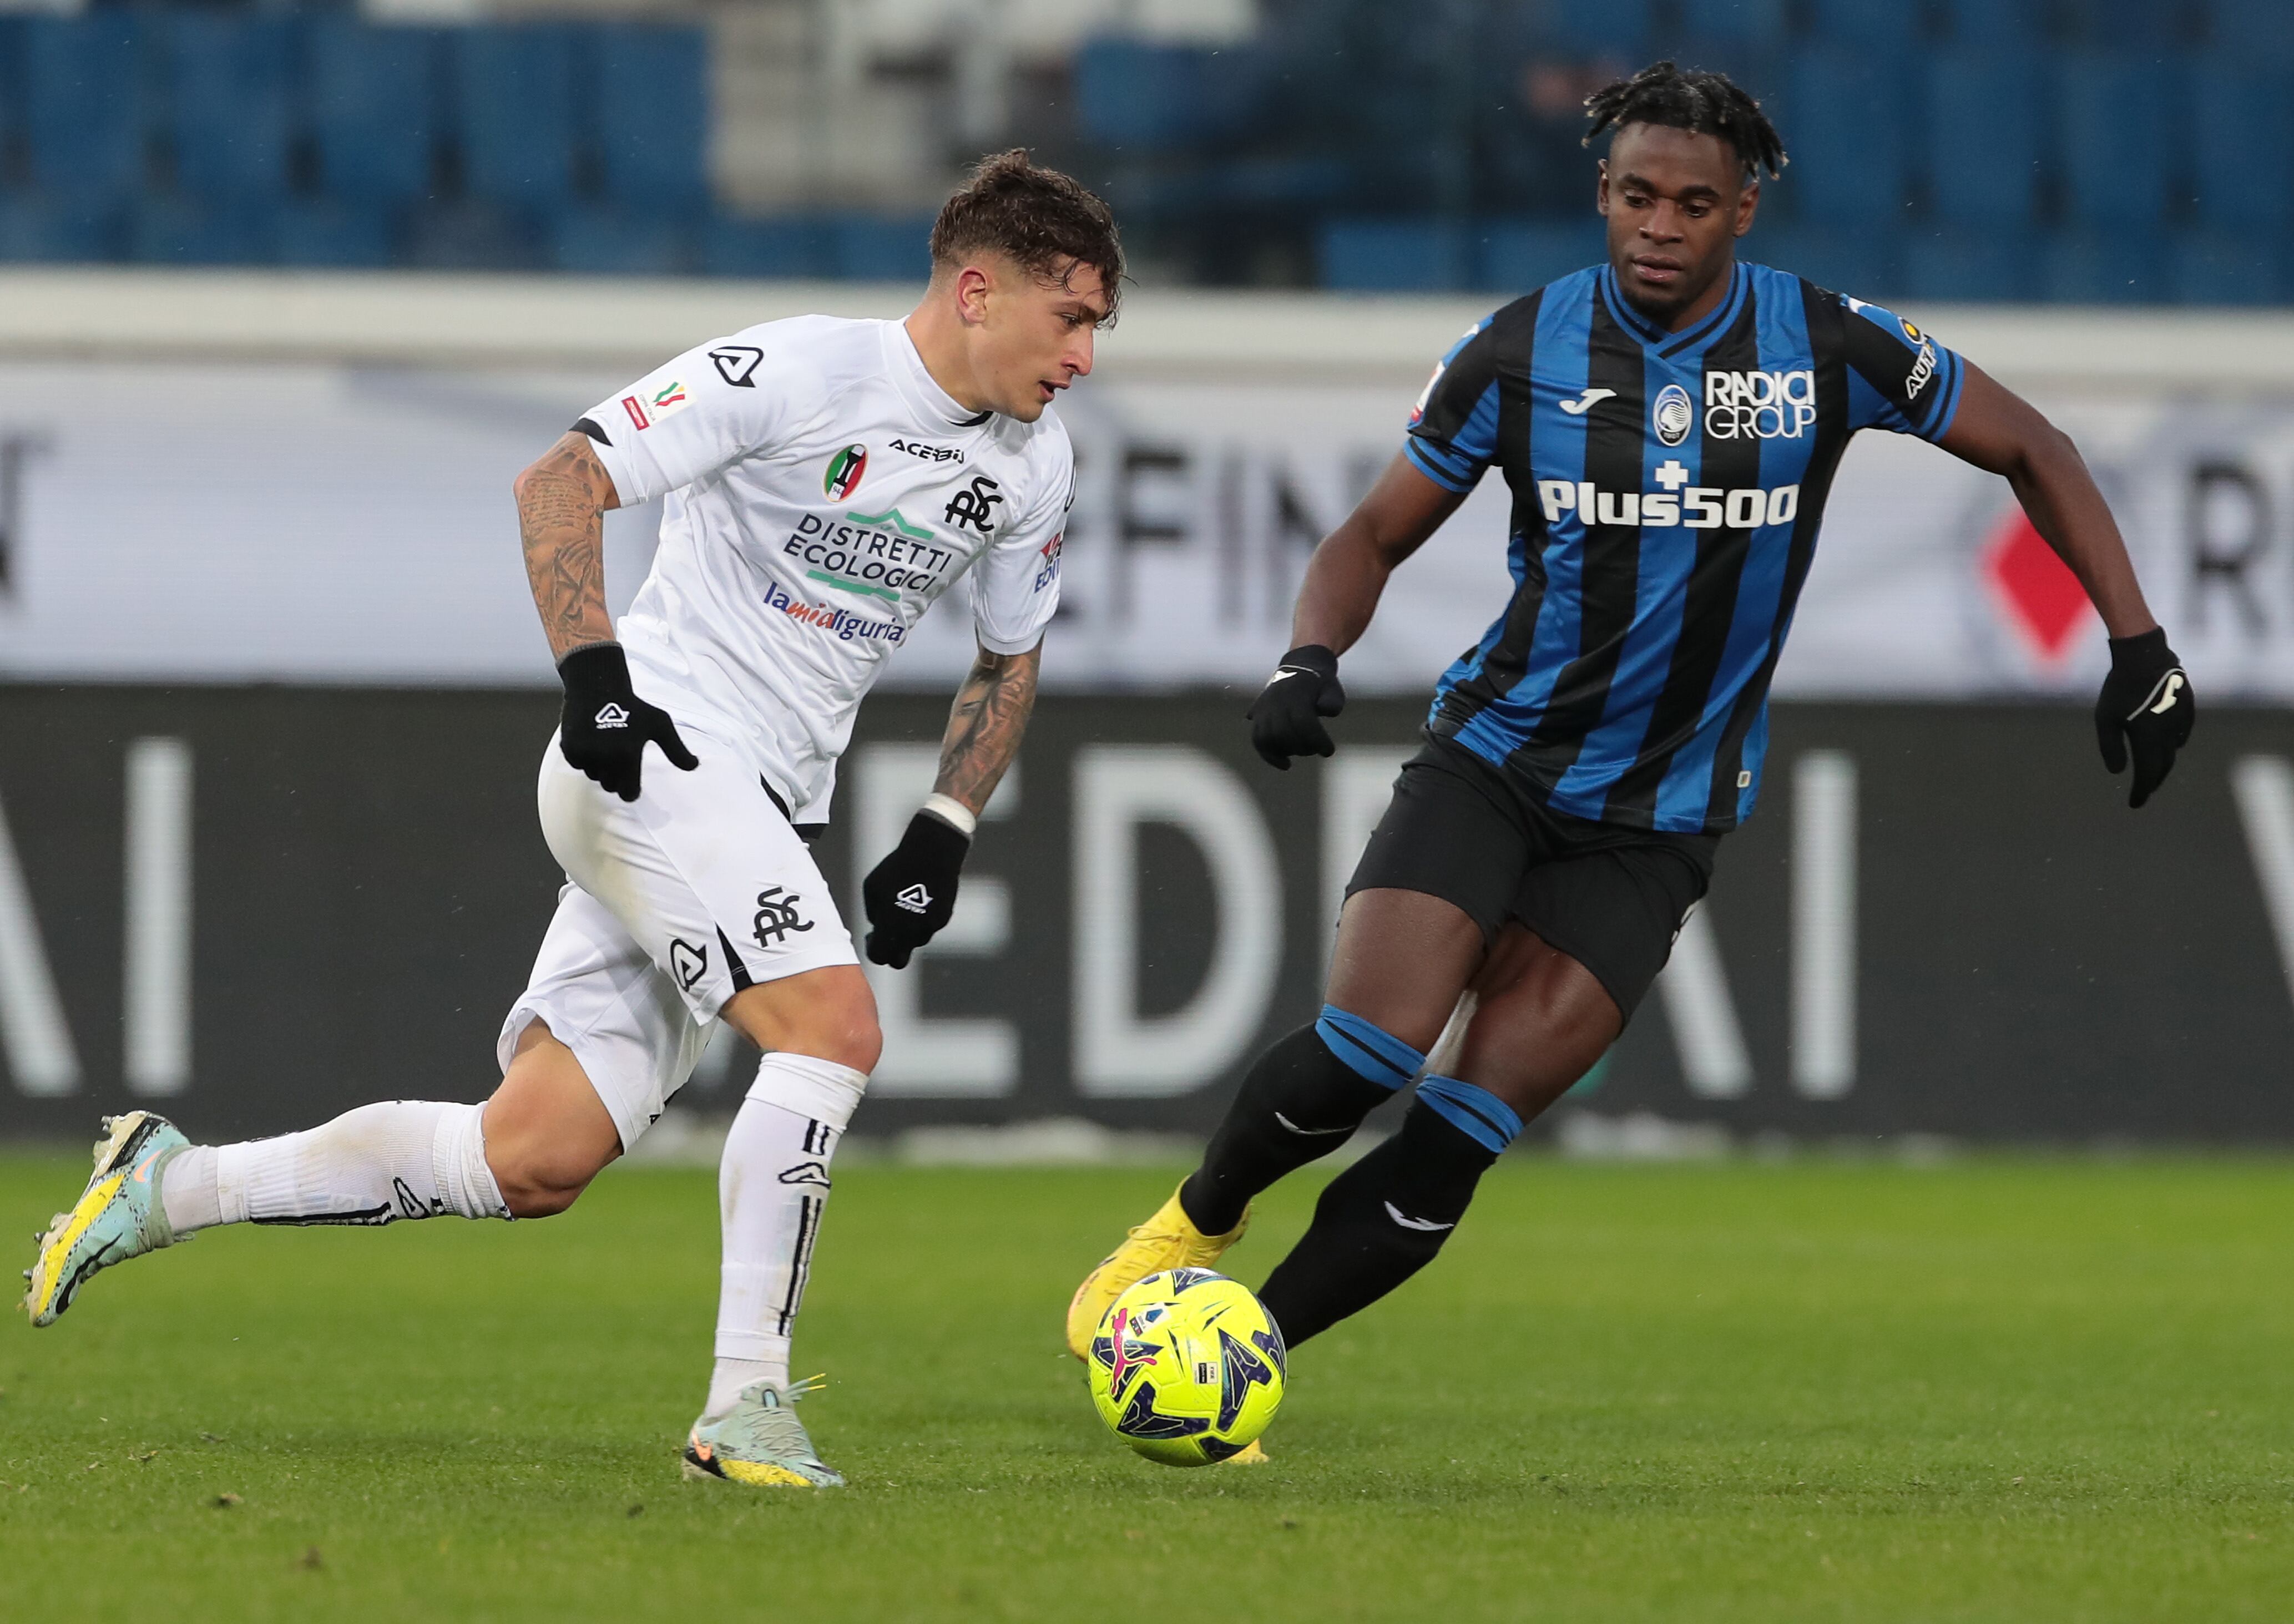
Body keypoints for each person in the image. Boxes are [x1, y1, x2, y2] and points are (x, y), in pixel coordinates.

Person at [1067, 63, 2194, 1384]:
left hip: (1659, 824)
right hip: (1497, 763)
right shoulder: (1516, 351)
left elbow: (2036, 446)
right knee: (1364, 1051)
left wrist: (2140, 642)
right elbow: (1373, 533)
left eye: (1695, 203)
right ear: (1601, 195)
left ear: (1745, 212)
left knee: (1459, 1135)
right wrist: (1307, 657)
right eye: (1639, 197)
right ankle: (1187, 1228)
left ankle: (1236, 1357)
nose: (1662, 226)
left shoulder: (1828, 347)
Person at [27, 150, 1116, 1491]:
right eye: (1070, 319)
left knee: (532, 1157)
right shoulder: (795, 374)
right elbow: (561, 477)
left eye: (1098, 329)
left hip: (760, 798)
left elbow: (1009, 660)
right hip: (656, 743)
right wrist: (596, 682)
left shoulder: (1034, 467)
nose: (1084, 356)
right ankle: (746, 1406)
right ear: (975, 289)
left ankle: (174, 1186)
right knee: (833, 1028)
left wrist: (946, 822)